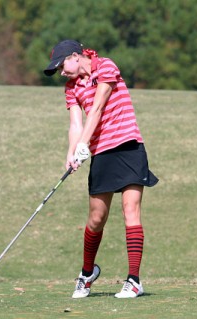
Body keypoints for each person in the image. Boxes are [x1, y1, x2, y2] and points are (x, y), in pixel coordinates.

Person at [43, 39, 158, 299]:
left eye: (62, 65)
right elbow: (75, 123)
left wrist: (84, 143)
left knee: (131, 210)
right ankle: (87, 273)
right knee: (96, 219)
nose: (61, 71)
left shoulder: (106, 66)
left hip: (128, 146)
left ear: (76, 56)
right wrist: (72, 153)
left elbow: (97, 107)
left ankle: (134, 280)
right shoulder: (71, 88)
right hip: (102, 153)